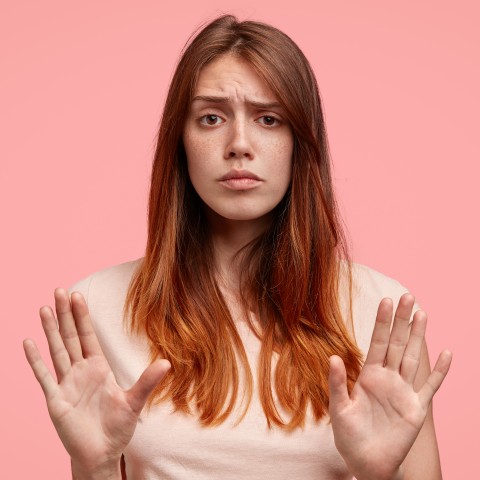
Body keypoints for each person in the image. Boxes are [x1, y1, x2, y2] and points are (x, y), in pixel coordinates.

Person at [23, 14, 452, 480]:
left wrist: (377, 475)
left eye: (269, 119)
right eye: (211, 118)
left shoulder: (382, 315)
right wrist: (96, 466)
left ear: (299, 144)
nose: (239, 144)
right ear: (180, 141)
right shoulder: (99, 308)